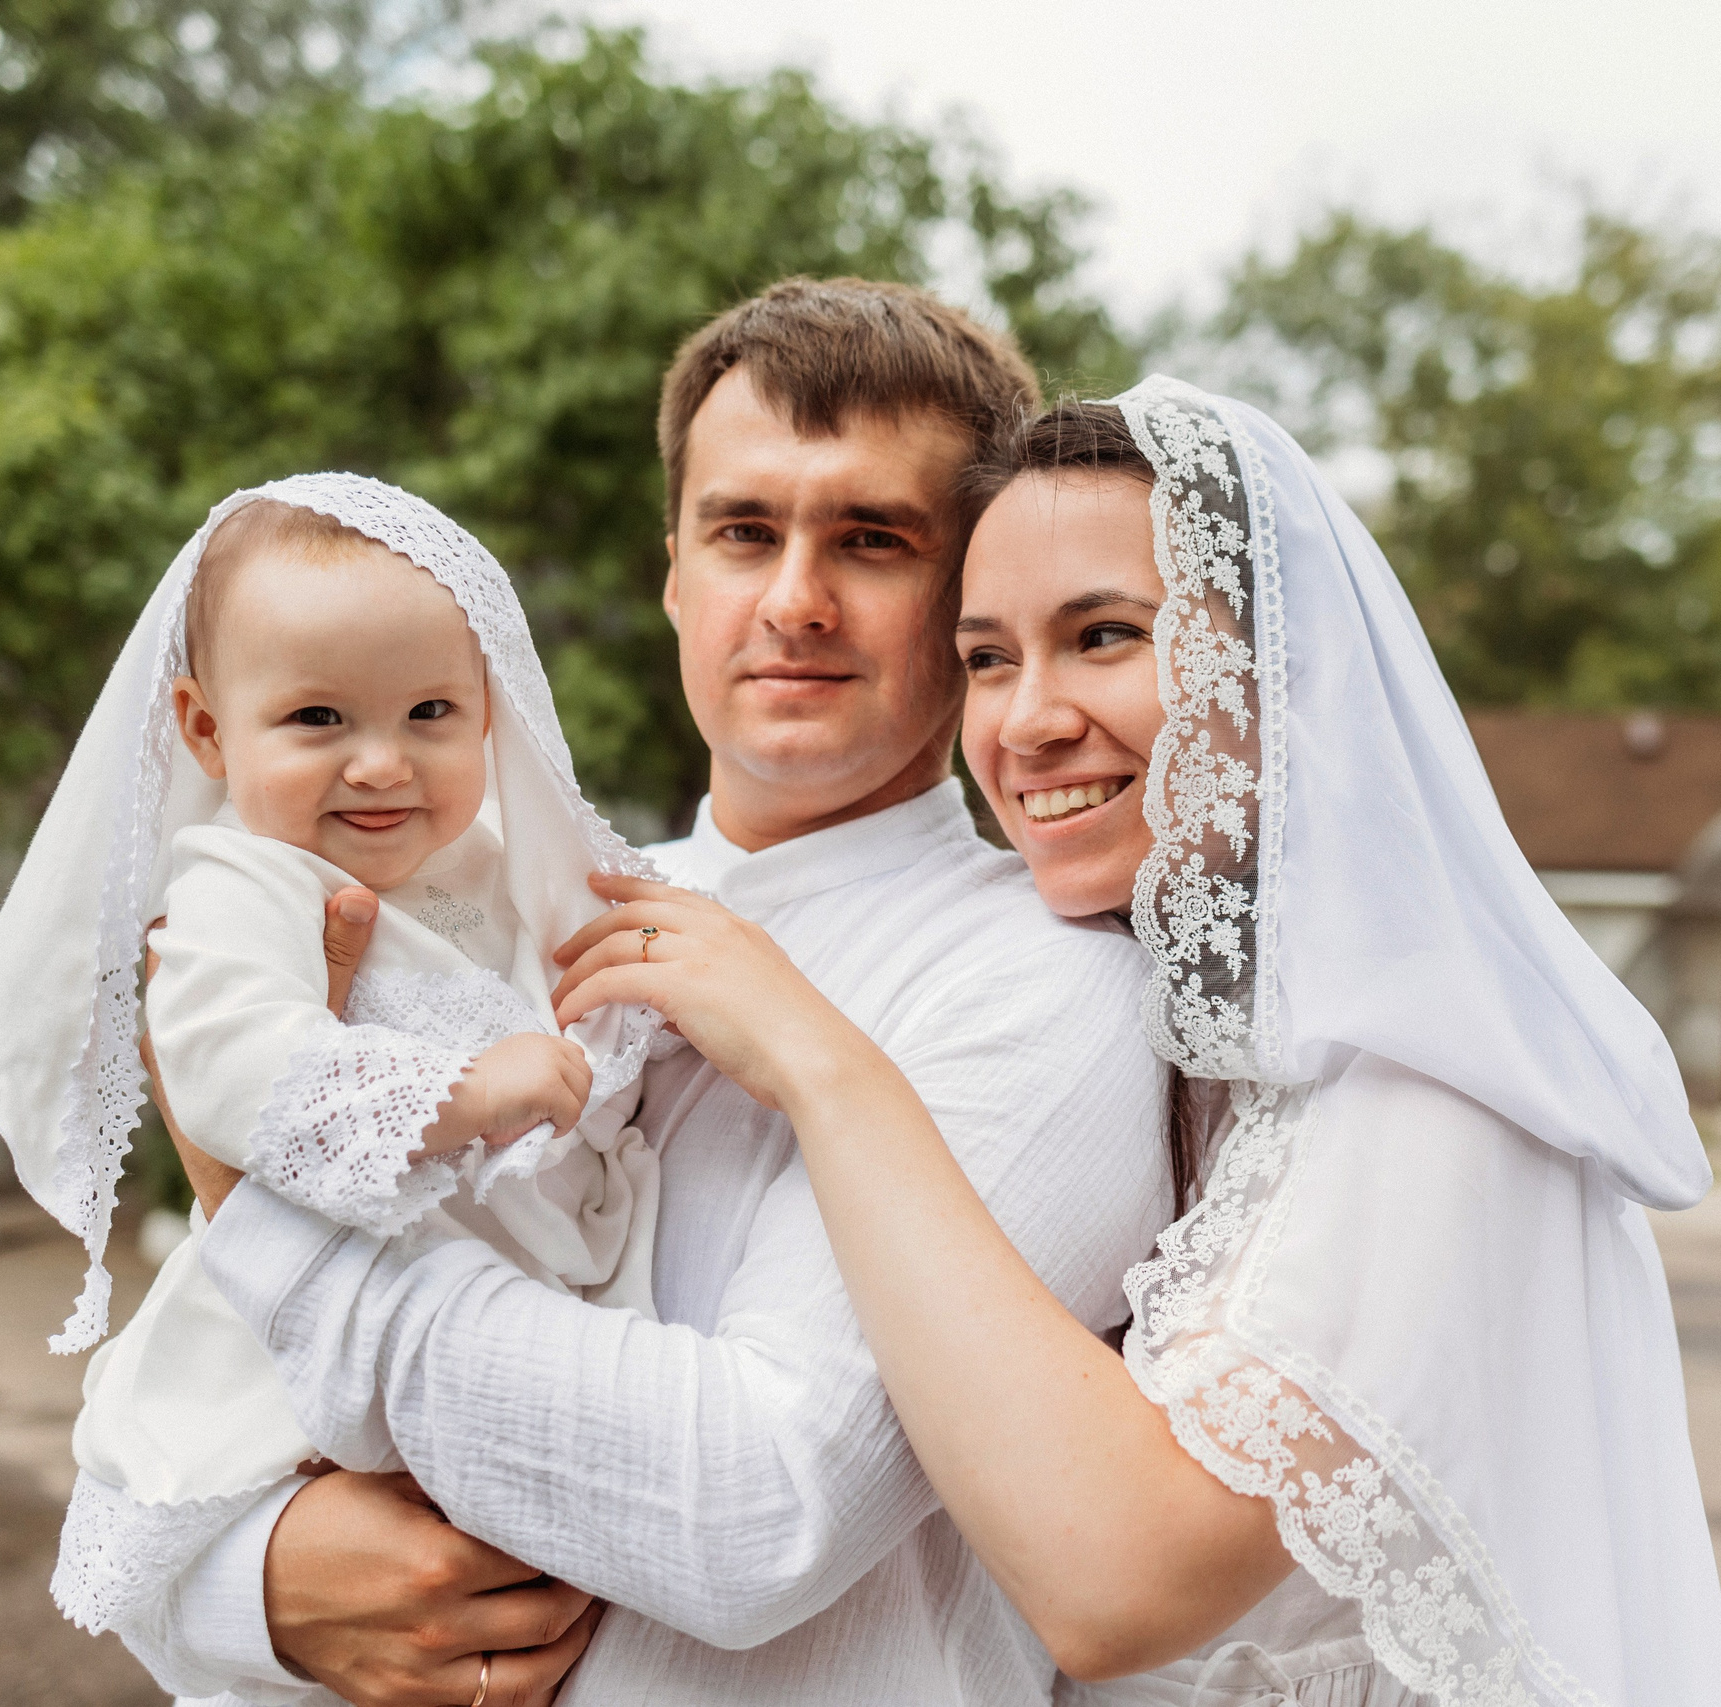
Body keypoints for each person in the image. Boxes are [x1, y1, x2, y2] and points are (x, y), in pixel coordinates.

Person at [548, 382, 1721, 1704]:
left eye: (1104, 635)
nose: (1025, 720)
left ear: (1273, 668)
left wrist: (823, 1069)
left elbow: (1116, 1580)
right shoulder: (1209, 1060)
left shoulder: (1433, 1093)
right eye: (990, 656)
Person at [144, 279, 1177, 1705]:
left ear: (963, 596)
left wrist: (252, 1204)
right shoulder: (482, 908)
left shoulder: (1049, 982)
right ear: (676, 571)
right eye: (745, 531)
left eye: (873, 540)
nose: (794, 601)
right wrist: (259, 1585)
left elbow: (756, 1512)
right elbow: (158, 1442)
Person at [0, 474, 667, 1674]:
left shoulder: (491, 870)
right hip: (291, 1366)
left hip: (491, 1337)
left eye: (431, 711)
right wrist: (471, 1095)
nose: (380, 764)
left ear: (491, 713)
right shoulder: (239, 882)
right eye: (319, 719)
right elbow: (227, 1061)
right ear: (208, 729)